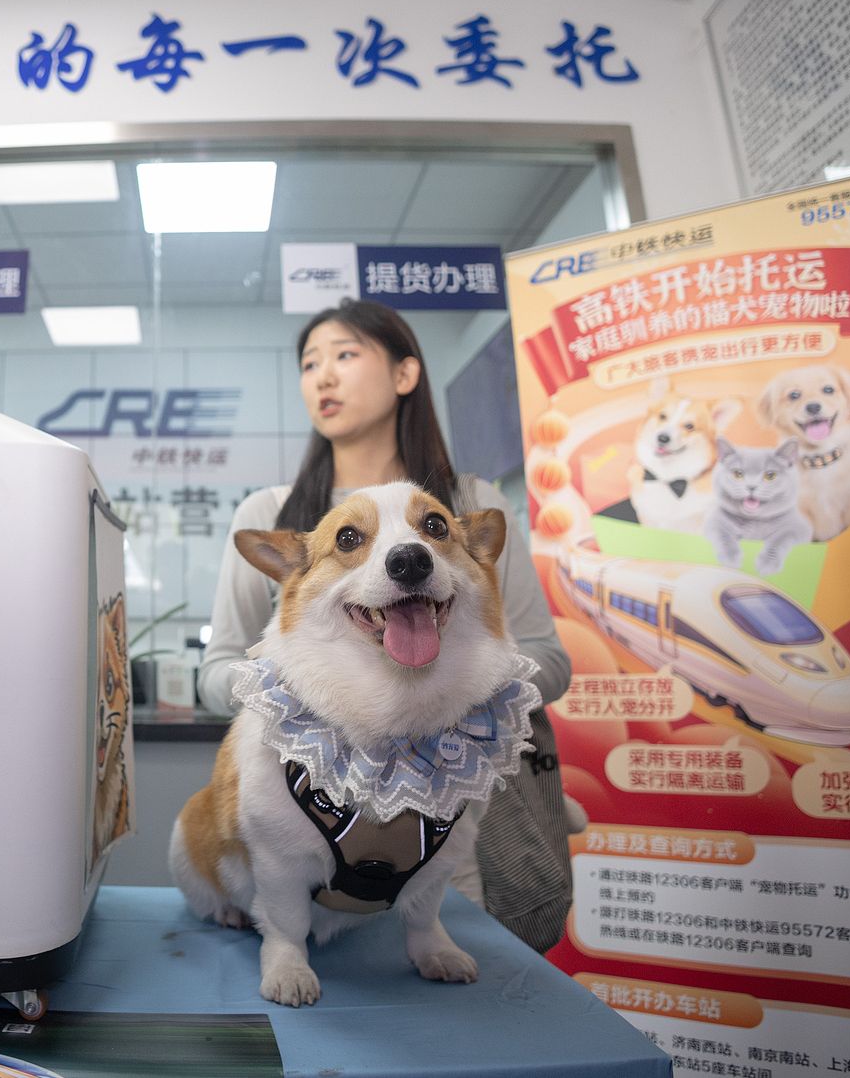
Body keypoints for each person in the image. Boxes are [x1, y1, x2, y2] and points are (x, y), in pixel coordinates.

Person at [197, 297, 574, 953]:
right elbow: (217, 663)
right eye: (309, 363)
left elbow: (547, 655)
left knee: (446, 1003)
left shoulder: (471, 505)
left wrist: (466, 691)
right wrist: (285, 695)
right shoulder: (271, 511)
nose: (323, 376)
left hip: (451, 842)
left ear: (405, 374)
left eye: (344, 355)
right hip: (303, 824)